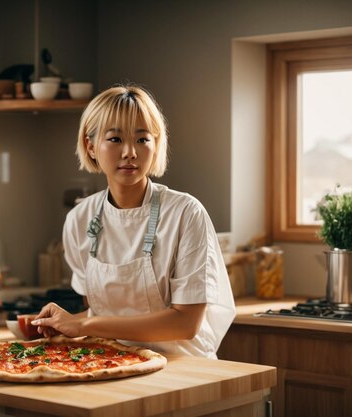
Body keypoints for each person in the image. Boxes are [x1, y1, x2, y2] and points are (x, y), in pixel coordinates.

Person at [32, 84, 236, 358]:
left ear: (156, 145)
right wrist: (64, 323)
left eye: (142, 139)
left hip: (183, 367)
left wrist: (83, 323)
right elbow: (107, 314)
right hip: (111, 363)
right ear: (90, 146)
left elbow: (186, 323)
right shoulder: (79, 220)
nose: (130, 152)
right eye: (115, 139)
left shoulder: (186, 213)